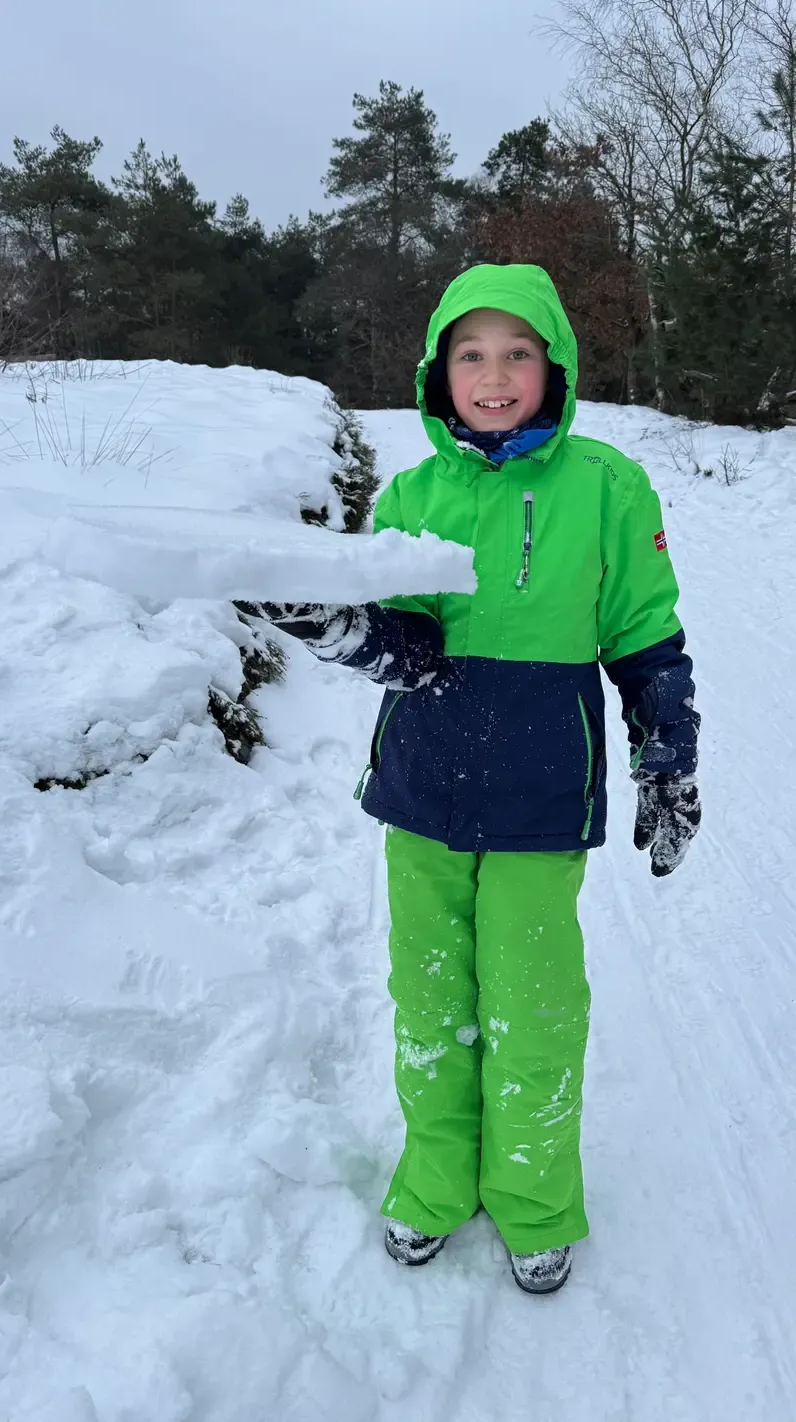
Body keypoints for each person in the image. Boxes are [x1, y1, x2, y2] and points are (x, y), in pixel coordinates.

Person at [258, 264, 701, 1295]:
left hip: (541, 801)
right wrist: (339, 627)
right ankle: (434, 1181)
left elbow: (644, 636)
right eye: (470, 354)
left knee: (532, 1008)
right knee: (426, 1003)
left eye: (516, 352)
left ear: (554, 366)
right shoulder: (412, 495)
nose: (493, 374)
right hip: (420, 793)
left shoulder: (605, 488)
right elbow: (404, 645)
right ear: (437, 372)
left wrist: (665, 756)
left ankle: (535, 1199)